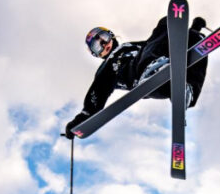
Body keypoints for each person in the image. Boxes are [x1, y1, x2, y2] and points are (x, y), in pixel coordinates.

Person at [65, 14, 210, 137]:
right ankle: (152, 70)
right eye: (97, 46)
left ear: (111, 35)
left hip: (168, 72)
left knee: (166, 25)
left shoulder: (132, 46)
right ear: (96, 54)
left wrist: (192, 31)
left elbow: (160, 40)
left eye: (103, 38)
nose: (104, 44)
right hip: (142, 77)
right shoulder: (108, 66)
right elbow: (98, 91)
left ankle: (187, 91)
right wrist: (83, 117)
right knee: (148, 50)